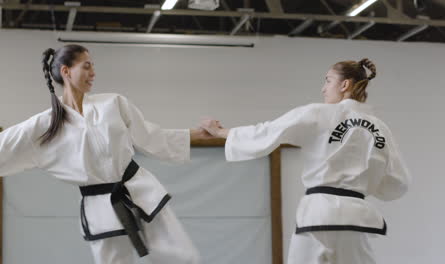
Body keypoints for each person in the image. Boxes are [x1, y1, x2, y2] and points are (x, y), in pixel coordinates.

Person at [0, 44, 207, 264]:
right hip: (99, 205)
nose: (93, 73)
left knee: (182, 257)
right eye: (86, 66)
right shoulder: (44, 125)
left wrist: (199, 134)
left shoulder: (113, 103)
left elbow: (152, 137)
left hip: (140, 190)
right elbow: (5, 145)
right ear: (66, 71)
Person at [202, 59, 411, 264]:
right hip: (356, 217)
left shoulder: (320, 113)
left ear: (345, 84)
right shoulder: (380, 128)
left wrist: (221, 132)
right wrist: (362, 181)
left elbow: (268, 131)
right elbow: (397, 183)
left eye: (328, 81)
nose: (323, 88)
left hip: (319, 214)